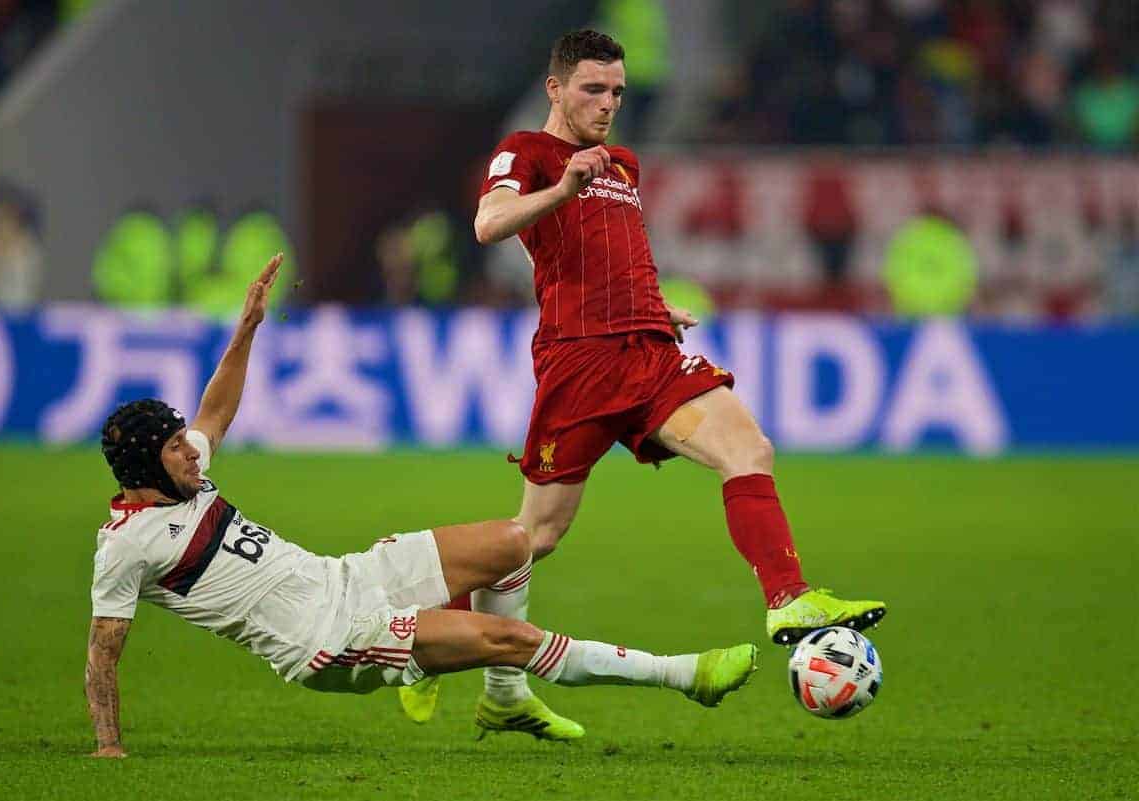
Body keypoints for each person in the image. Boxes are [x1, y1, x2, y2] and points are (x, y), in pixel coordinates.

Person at [398, 30, 886, 739]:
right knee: (530, 538)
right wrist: (561, 186)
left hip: (649, 352)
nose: (608, 104)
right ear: (556, 89)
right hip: (580, 367)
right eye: (593, 89)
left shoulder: (622, 163)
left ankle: (788, 597)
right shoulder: (527, 153)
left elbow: (615, 256)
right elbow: (486, 223)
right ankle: (428, 650)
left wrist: (658, 308)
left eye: (618, 92)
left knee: (749, 448)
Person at [83, 254, 759, 757]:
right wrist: (109, 745)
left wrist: (248, 327)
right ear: (148, 466)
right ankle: (682, 675)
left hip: (341, 577)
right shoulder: (128, 544)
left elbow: (216, 410)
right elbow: (103, 653)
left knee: (512, 543)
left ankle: (502, 700)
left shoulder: (186, 473)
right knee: (511, 639)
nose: (193, 450)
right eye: (176, 448)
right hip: (327, 641)